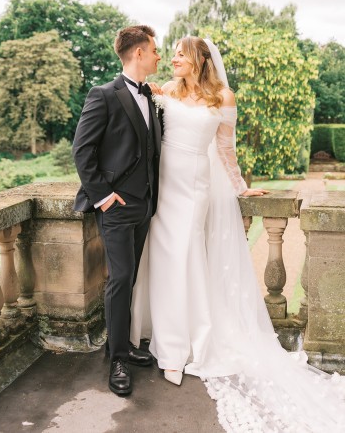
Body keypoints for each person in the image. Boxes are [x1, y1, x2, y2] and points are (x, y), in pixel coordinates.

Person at [131, 37, 345, 432]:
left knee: (187, 256)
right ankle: (164, 336)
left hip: (194, 186)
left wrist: (240, 185)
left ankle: (185, 345)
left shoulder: (223, 97)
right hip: (163, 186)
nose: (173, 59)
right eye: (172, 53)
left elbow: (225, 150)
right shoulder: (165, 92)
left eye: (180, 54)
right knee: (161, 258)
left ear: (199, 59)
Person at [73, 25, 162, 396]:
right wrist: (104, 197)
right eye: (155, 50)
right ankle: (118, 361)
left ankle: (119, 346)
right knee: (120, 279)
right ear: (138, 53)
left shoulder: (152, 97)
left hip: (144, 205)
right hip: (116, 206)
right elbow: (82, 150)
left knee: (130, 278)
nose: (160, 55)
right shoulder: (103, 94)